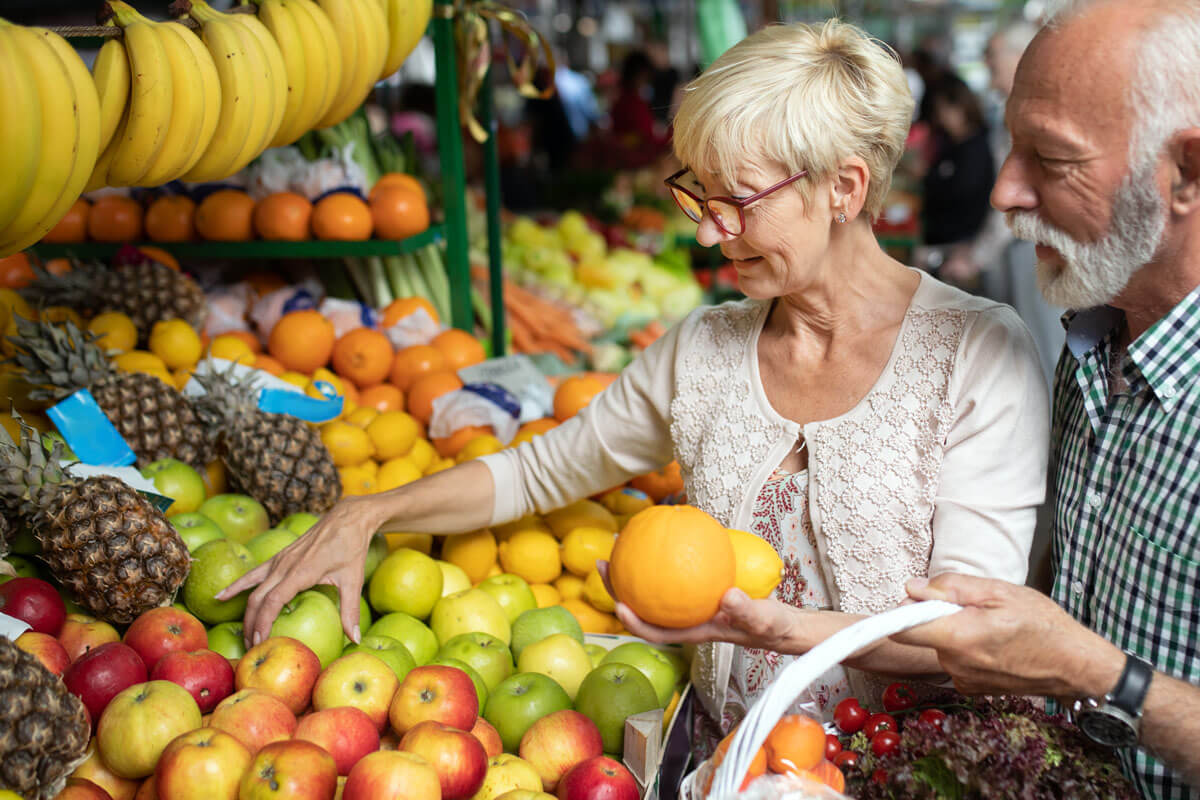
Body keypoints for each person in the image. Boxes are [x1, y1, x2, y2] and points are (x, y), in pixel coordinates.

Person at [221, 18, 1049, 759]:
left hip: (913, 772)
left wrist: (778, 631)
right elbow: (543, 469)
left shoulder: (974, 356)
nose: (704, 229)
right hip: (728, 768)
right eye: (697, 192)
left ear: (845, 188)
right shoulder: (704, 351)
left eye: (737, 200)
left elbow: (967, 635)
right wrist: (370, 513)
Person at [888, 0, 1200, 796]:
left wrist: (1088, 669)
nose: (1004, 193)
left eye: (1051, 161)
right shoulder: (1093, 340)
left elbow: (1074, 652)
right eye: (1009, 144)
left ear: (1187, 174)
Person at [940, 20, 1066, 391]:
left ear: (1021, 58)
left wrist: (976, 256)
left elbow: (1013, 198)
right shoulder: (1014, 108)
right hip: (1018, 246)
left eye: (993, 54)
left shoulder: (1033, 111)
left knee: (1042, 353)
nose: (986, 61)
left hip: (1033, 245)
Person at [917, 76, 995, 273]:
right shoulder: (951, 143)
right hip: (942, 237)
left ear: (961, 107)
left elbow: (963, 195)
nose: (941, 117)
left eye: (944, 110)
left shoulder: (976, 148)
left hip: (957, 245)